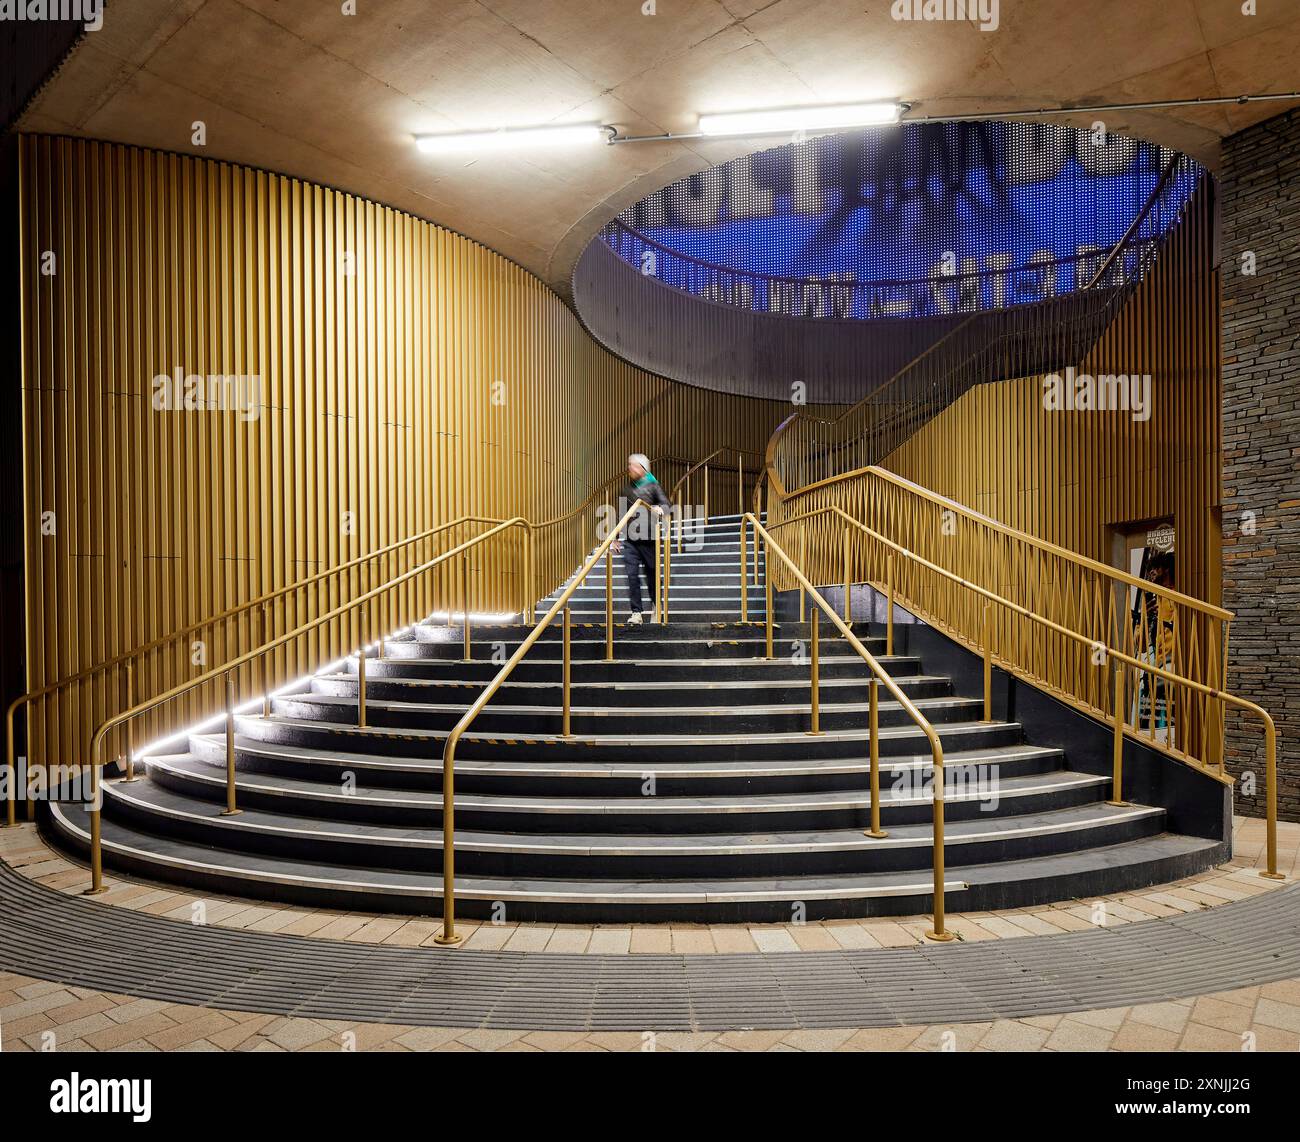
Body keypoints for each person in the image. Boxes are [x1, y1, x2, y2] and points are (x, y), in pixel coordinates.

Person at [612, 453, 671, 625]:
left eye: (634, 465)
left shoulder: (653, 486)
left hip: (649, 539)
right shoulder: (626, 489)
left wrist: (660, 509)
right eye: (629, 465)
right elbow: (621, 514)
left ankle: (656, 606)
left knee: (652, 575)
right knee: (632, 575)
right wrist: (615, 537)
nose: (630, 468)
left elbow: (666, 505)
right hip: (630, 540)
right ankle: (636, 612)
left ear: (643, 469)